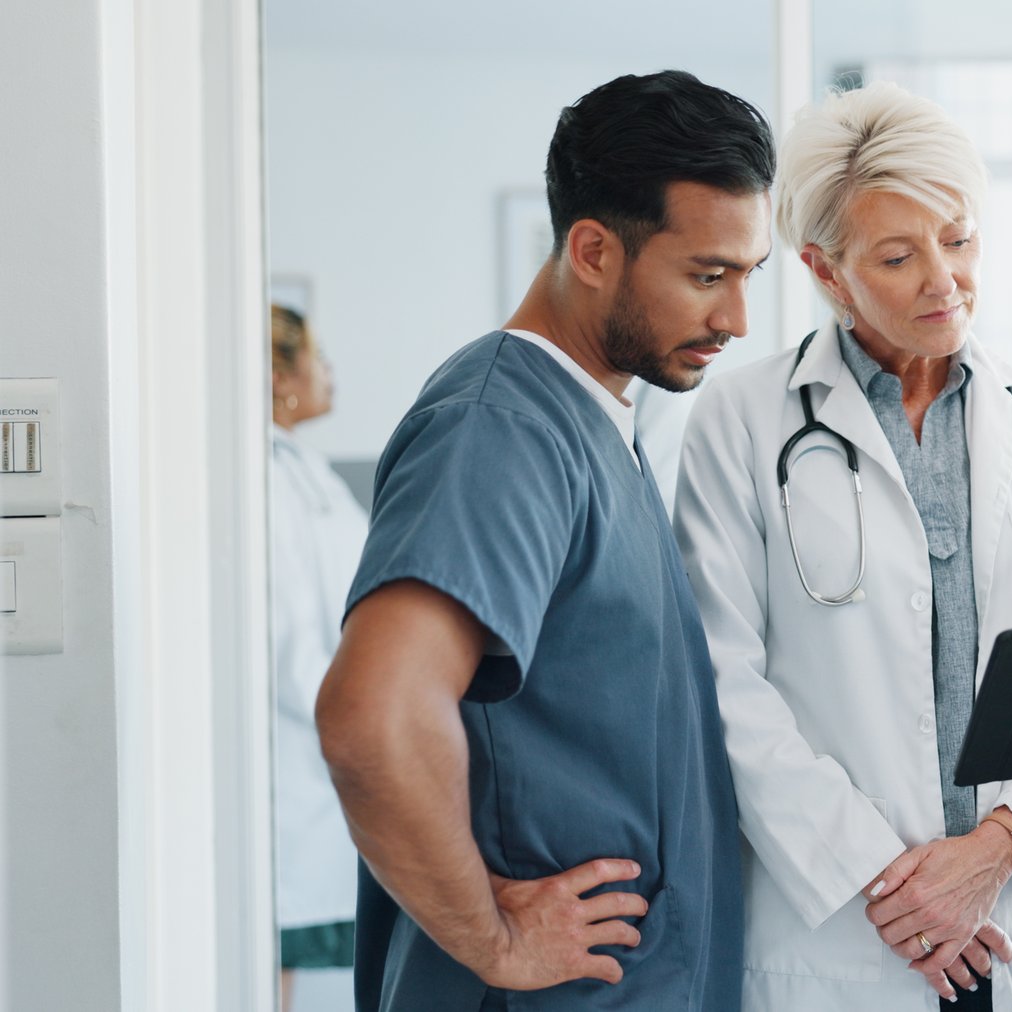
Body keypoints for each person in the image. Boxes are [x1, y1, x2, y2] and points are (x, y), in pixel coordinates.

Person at [313, 71, 774, 1012]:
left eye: (746, 276)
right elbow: (374, 718)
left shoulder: (597, 421)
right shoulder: (502, 431)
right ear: (593, 249)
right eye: (705, 275)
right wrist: (496, 938)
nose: (735, 319)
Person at [673, 82, 1012, 1011]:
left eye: (958, 239)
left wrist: (999, 846)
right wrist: (899, 888)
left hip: (1005, 922)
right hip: (845, 931)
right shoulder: (744, 419)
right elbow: (724, 683)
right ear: (826, 270)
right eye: (897, 255)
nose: (943, 279)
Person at [268, 304, 366, 1010]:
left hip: (328, 738)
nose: (329, 371)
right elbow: (288, 635)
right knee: (271, 956)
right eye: (318, 356)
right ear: (280, 377)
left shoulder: (305, 470)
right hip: (302, 740)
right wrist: (355, 715)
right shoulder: (266, 478)